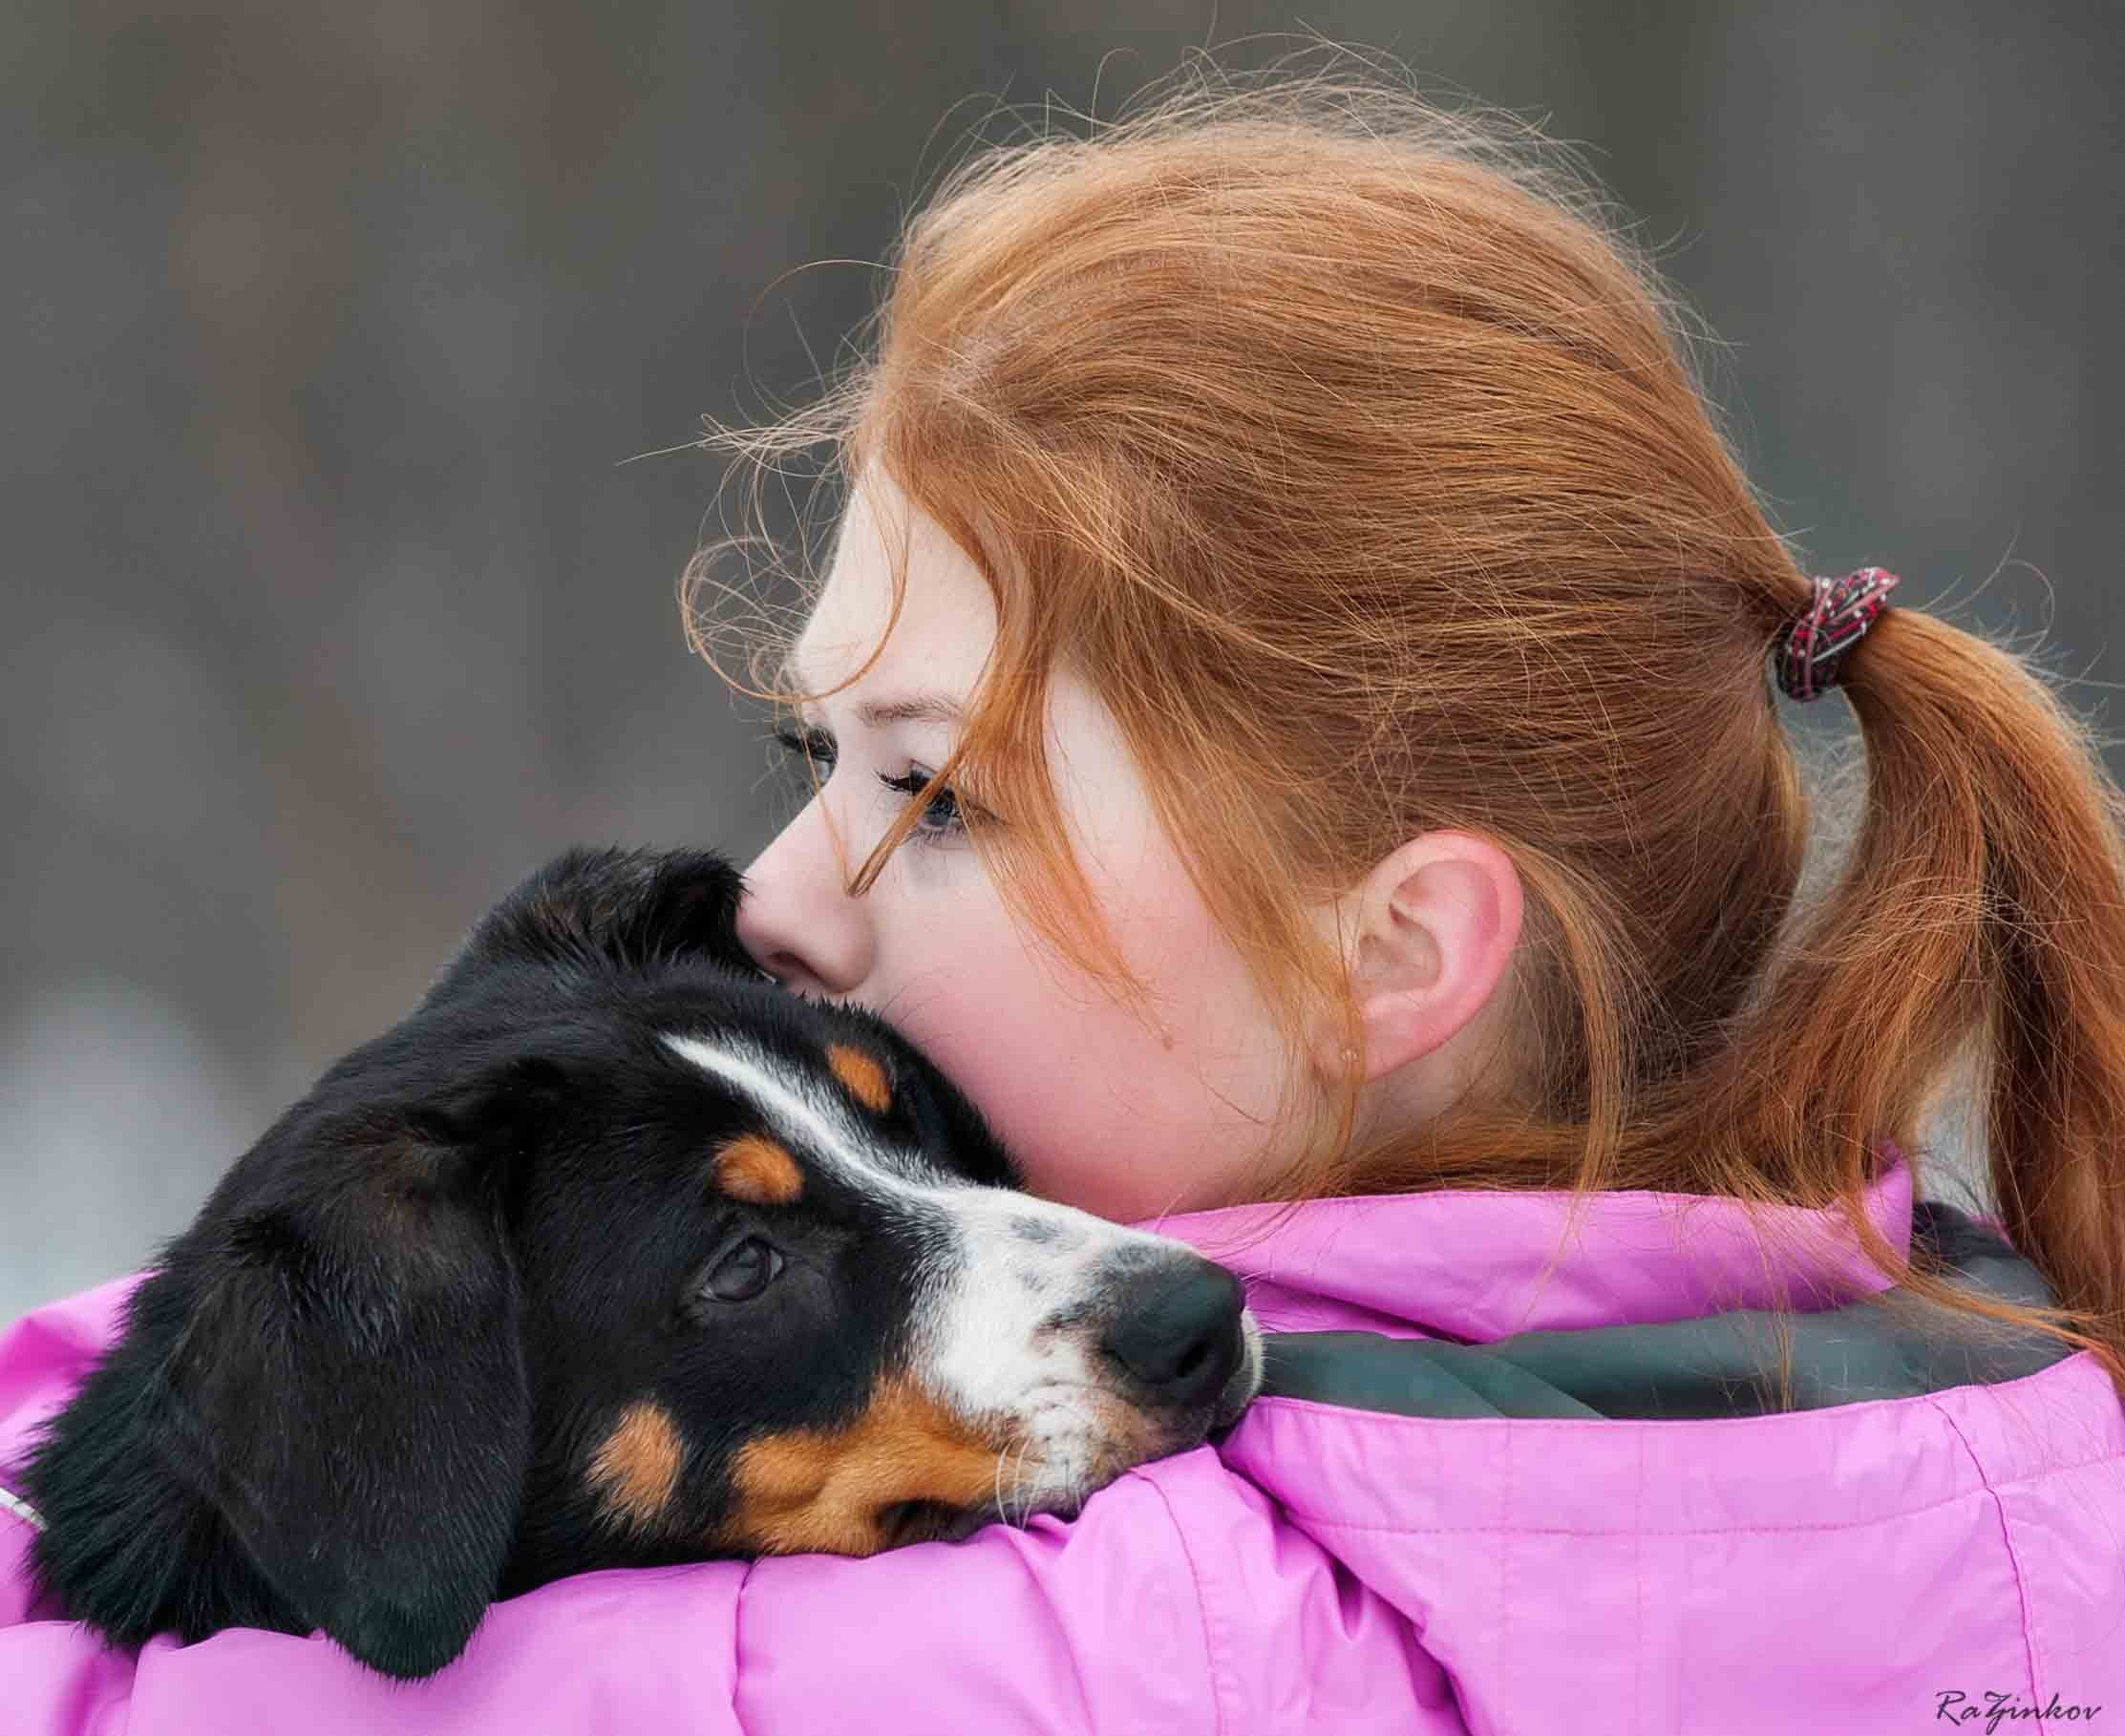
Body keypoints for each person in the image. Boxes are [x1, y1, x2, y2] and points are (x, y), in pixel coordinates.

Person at [6, 52, 2123, 1733]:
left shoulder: (1122, 1631)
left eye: (934, 796)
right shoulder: (2000, 1425)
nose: (774, 900)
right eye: (806, 760)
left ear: (1387, 953)